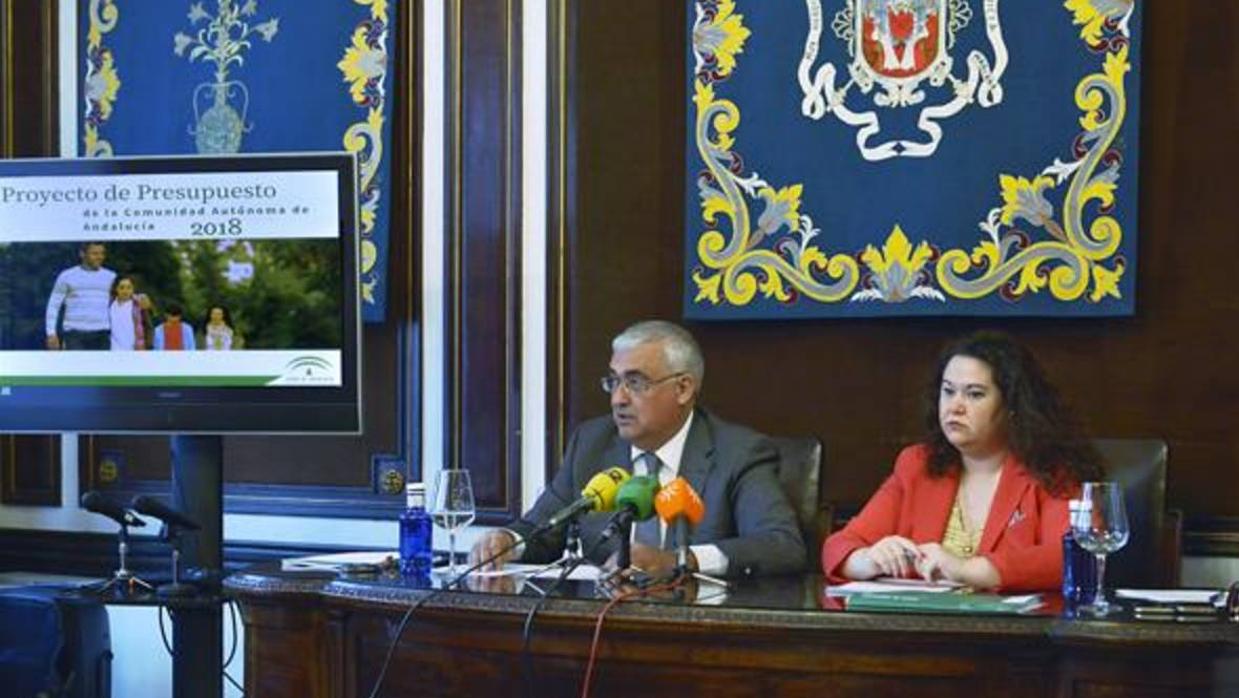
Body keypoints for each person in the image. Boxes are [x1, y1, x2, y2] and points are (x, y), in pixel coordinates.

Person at [470, 320, 805, 579]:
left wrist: (678, 560)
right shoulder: (592, 444)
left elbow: (782, 546)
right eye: (614, 381)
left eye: (635, 382)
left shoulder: (738, 452)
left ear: (683, 388)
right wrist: (507, 542)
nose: (618, 398)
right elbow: (544, 529)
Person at [822, 331, 1104, 593]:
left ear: (1013, 407)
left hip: (1017, 638)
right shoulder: (918, 464)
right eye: (948, 391)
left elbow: (1077, 556)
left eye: (974, 394)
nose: (955, 406)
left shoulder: (1050, 468)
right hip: (922, 632)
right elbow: (838, 547)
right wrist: (870, 559)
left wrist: (968, 569)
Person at [44, 242, 116, 350]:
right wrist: (51, 333)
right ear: (82, 254)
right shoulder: (67, 276)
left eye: (102, 253)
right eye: (95, 253)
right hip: (74, 336)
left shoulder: (111, 276)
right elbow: (53, 305)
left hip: (102, 335)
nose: (100, 257)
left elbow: (123, 301)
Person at [108, 275, 152, 351]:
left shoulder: (138, 305)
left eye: (129, 287)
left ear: (133, 289)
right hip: (113, 349)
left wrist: (148, 345)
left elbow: (148, 327)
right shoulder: (110, 305)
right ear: (116, 289)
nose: (125, 291)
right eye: (122, 287)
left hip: (135, 349)